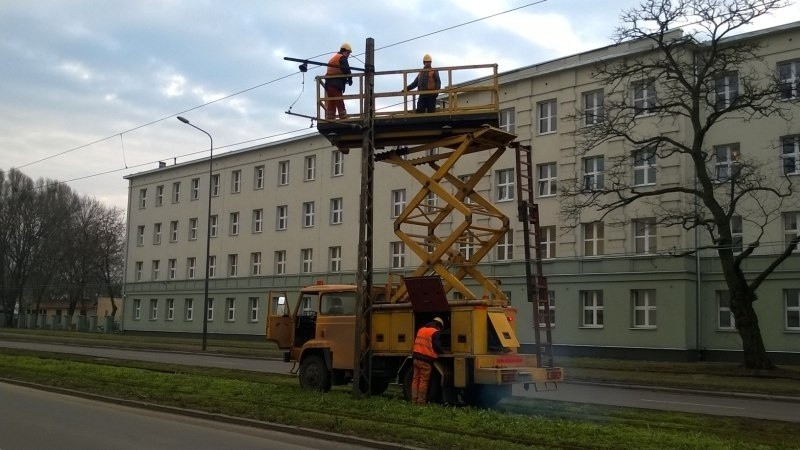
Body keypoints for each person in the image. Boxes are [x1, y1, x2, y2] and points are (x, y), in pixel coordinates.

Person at [411, 316, 445, 404]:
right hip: (425, 361)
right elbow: (437, 346)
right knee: (423, 381)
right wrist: (442, 351)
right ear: (439, 325)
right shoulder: (435, 332)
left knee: (415, 380)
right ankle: (421, 402)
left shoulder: (421, 329)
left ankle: (413, 400)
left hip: (415, 358)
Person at [325, 43, 353, 120]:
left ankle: (330, 118)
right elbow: (346, 69)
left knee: (332, 102)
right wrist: (350, 79)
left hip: (328, 84)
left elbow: (337, 70)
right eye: (348, 53)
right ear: (345, 51)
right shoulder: (342, 58)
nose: (348, 55)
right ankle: (343, 118)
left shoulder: (334, 58)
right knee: (339, 101)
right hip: (335, 84)